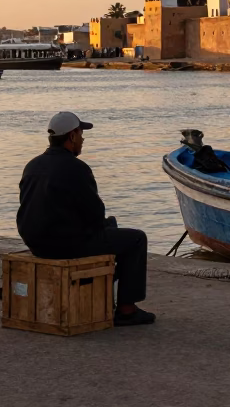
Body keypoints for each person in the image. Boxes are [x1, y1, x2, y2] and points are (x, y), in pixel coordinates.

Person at [16, 112, 155, 326]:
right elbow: (94, 214)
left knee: (110, 227)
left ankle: (107, 284)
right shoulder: (77, 168)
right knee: (136, 239)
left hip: (37, 243)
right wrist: (105, 224)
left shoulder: (32, 165)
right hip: (66, 245)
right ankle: (127, 309)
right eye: (81, 134)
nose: (83, 139)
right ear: (71, 136)